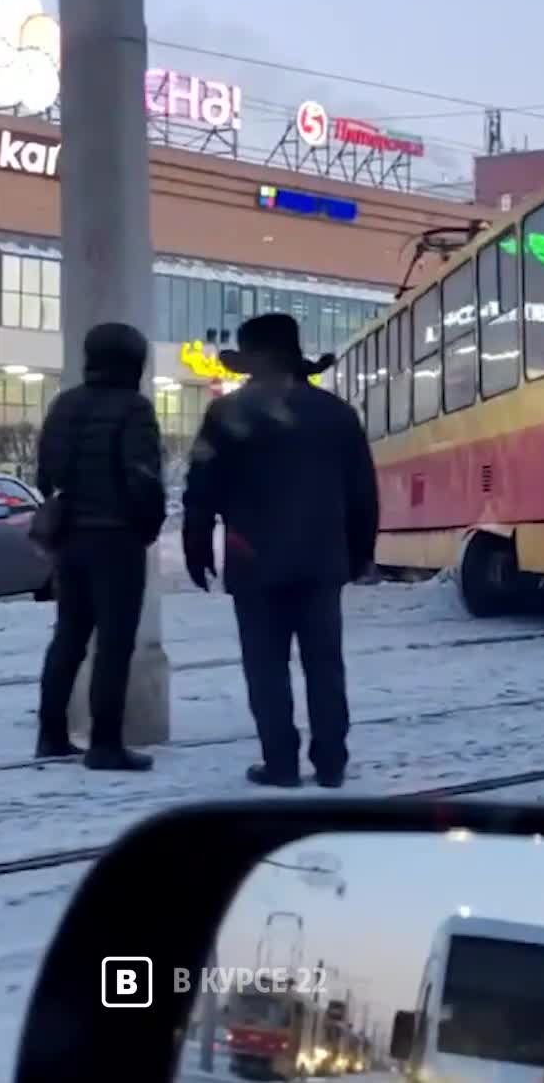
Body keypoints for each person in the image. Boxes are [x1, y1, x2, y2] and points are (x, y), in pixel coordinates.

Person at [182, 313, 379, 788]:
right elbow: (362, 492)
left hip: (255, 560)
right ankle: (331, 763)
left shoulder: (228, 414)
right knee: (324, 664)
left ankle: (281, 763)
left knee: (266, 668)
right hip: (321, 559)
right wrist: (359, 552)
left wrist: (197, 543)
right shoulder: (337, 414)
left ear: (254, 360)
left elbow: (202, 487)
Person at [35, 322, 166, 771]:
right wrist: (147, 527)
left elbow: (44, 474)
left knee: (68, 636)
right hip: (117, 538)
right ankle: (105, 743)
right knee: (114, 642)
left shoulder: (64, 404)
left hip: (69, 538)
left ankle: (51, 735)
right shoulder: (134, 409)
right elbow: (143, 479)